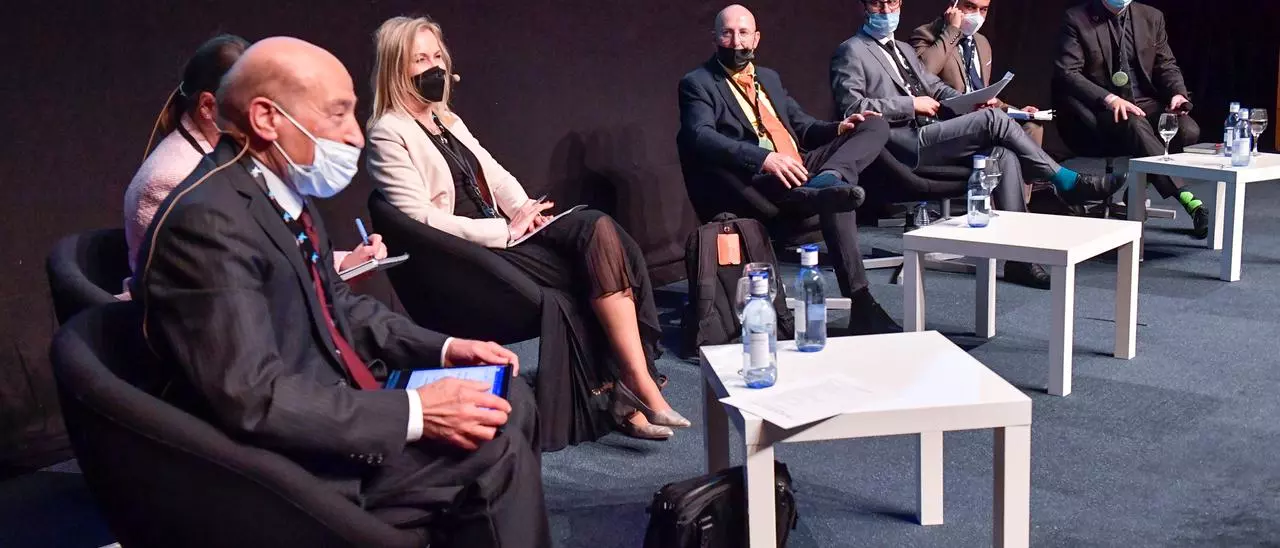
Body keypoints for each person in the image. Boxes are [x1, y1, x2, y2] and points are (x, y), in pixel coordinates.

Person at [132, 36, 550, 547]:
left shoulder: (275, 191)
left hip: (334, 401)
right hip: (280, 469)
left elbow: (341, 306)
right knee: (496, 448)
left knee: (508, 395)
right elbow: (253, 399)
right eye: (337, 114)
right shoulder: (208, 222)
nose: (354, 135)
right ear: (266, 118)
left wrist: (444, 348)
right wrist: (417, 413)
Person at [364, 16, 689, 442]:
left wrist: (524, 211)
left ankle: (632, 383)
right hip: (468, 258)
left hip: (506, 236)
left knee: (599, 233)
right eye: (420, 59)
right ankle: (634, 385)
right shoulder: (389, 132)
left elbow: (496, 175)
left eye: (437, 56)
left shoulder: (446, 120)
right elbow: (420, 218)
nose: (434, 67)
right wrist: (502, 232)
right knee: (591, 256)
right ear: (396, 68)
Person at [830, 0, 1127, 289]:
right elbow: (851, 107)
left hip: (930, 133)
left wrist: (971, 101)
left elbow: (936, 88)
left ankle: (1020, 260)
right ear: (863, 7)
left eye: (892, 3)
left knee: (1002, 155)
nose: (886, 11)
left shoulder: (903, 49)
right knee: (992, 121)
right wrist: (910, 105)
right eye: (877, 4)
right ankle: (1065, 181)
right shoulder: (851, 50)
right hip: (900, 144)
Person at [678, 4, 900, 335]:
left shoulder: (768, 77)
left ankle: (830, 178)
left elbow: (803, 127)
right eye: (727, 33)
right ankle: (862, 301)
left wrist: (840, 127)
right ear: (715, 38)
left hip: (802, 168)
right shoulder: (697, 83)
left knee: (874, 125)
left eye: (743, 33)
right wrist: (762, 158)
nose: (736, 42)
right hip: (759, 181)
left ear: (756, 38)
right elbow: (700, 135)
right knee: (836, 197)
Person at [121, 34, 386, 299]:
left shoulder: (249, 168)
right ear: (208, 106)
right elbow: (231, 284)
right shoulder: (177, 181)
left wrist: (343, 263)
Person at [1054, 0, 1208, 239]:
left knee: (1187, 130)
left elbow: (1165, 64)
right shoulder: (1076, 19)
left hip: (1144, 102)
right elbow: (1067, 73)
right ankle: (1190, 201)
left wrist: (1177, 92)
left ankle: (1138, 185)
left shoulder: (1151, 16)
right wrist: (1109, 99)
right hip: (1101, 108)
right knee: (1135, 125)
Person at [908, 0, 1046, 205]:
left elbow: (983, 94)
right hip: (948, 123)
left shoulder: (981, 42)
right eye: (971, 7)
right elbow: (921, 76)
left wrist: (1016, 111)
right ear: (954, 5)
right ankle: (1055, 179)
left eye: (984, 10)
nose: (977, 16)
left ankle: (1019, 204)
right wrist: (952, 30)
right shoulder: (925, 35)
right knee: (1004, 140)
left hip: (984, 116)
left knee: (1032, 126)